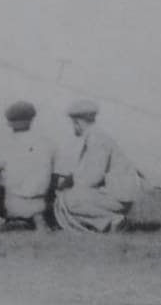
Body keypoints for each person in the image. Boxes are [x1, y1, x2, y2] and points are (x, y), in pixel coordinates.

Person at [53, 99, 141, 232]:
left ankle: (114, 220)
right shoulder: (98, 136)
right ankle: (107, 223)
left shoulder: (97, 139)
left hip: (116, 198)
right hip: (115, 195)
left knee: (67, 200)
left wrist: (68, 184)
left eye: (73, 123)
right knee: (68, 197)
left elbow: (93, 177)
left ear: (77, 122)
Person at [0, 101, 56, 230]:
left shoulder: (4, 143)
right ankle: (37, 218)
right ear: (32, 119)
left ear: (10, 122)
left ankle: (10, 217)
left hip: (12, 202)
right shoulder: (46, 142)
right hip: (40, 202)